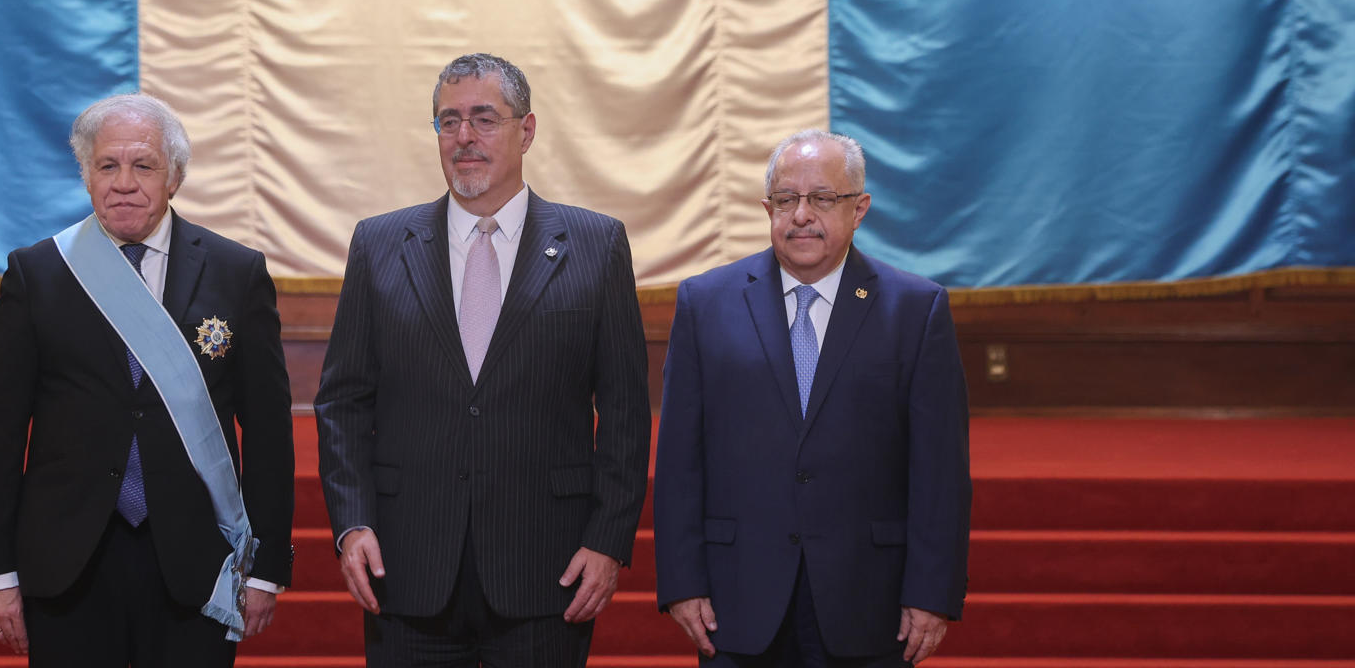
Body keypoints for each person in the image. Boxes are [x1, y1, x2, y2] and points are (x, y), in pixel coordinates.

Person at [314, 52, 652, 668]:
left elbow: (626, 410)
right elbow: (340, 402)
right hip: (407, 566)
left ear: (526, 131)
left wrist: (608, 540)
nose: (464, 136)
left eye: (483, 118)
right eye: (448, 121)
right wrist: (351, 523)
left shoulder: (598, 245)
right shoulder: (380, 243)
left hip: (546, 570)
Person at [0, 93, 295, 667]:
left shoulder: (236, 272)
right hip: (67, 560)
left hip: (197, 560)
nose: (123, 182)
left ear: (175, 176)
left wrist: (266, 570)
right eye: (106, 165)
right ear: (86, 174)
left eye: (143, 166)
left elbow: (268, 434)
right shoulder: (37, 273)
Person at [653, 129, 970, 667]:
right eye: (786, 200)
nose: (802, 214)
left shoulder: (917, 311)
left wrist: (931, 593)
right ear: (767, 208)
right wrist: (682, 582)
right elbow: (680, 460)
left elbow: (940, 471)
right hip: (737, 600)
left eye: (823, 198)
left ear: (859, 208)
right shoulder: (705, 303)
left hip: (869, 601)